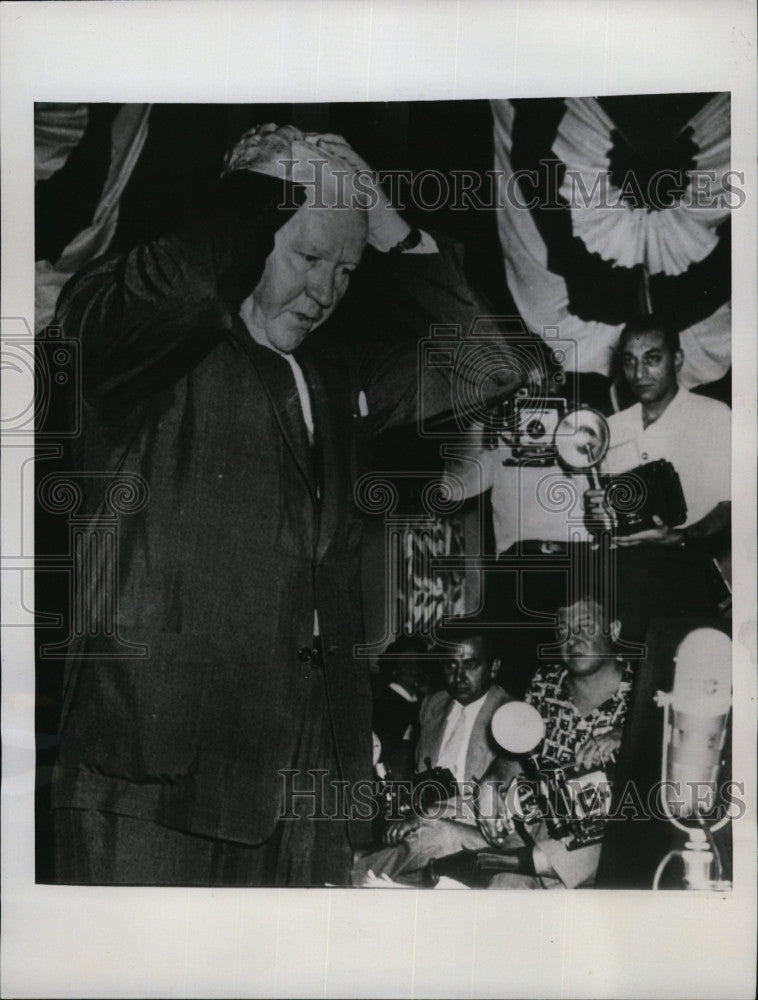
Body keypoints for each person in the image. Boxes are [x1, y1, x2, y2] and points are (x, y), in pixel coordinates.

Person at [49, 124, 526, 886]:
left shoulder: (339, 377)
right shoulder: (135, 347)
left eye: (346, 268)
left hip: (309, 786)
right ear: (247, 232)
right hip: (152, 783)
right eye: (308, 258)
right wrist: (267, 185)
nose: (327, 292)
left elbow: (493, 363)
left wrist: (389, 225)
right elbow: (182, 286)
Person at [472, 594, 634, 889]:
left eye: (586, 627)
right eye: (562, 631)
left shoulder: (644, 689)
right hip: (542, 826)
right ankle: (522, 862)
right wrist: (490, 782)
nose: (573, 640)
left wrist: (626, 735)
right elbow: (515, 757)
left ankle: (525, 860)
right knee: (505, 888)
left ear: (614, 629)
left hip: (611, 830)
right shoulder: (545, 683)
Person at [590, 316, 731, 633]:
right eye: (629, 362)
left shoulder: (715, 417)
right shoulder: (610, 429)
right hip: (626, 580)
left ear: (677, 359)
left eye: (652, 359)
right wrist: (598, 515)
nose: (638, 374)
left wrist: (681, 537)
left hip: (692, 572)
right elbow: (609, 521)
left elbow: (731, 506)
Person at [353, 621, 512, 884]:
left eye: (471, 665)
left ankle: (357, 873)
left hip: (479, 831)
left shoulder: (512, 715)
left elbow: (499, 805)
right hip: (423, 825)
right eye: (451, 665)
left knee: (433, 836)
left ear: (493, 667)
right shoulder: (432, 705)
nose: (459, 676)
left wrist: (425, 816)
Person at [372, 635, 430, 780]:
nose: (414, 669)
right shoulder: (387, 704)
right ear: (394, 668)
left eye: (419, 662)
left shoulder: (423, 703)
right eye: (407, 663)